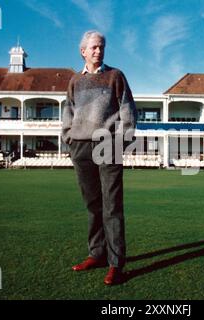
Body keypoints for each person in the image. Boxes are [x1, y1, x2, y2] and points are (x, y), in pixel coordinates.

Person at [61, 30, 137, 285]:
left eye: (102, 47)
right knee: (93, 205)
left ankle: (116, 264)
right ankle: (97, 254)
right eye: (93, 47)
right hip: (81, 148)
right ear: (83, 51)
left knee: (112, 206)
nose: (99, 51)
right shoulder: (74, 81)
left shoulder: (116, 76)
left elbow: (128, 109)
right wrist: (69, 139)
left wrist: (121, 140)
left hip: (108, 145)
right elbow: (67, 114)